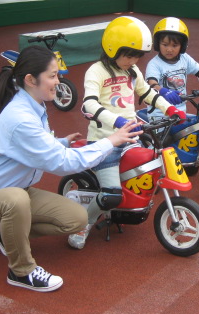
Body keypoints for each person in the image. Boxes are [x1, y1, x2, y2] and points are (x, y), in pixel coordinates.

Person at [0, 45, 141, 293]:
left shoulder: (33, 104)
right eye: (53, 76)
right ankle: (22, 271)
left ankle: (6, 231)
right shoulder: (20, 117)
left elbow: (32, 147)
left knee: (76, 219)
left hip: (15, 191)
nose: (58, 81)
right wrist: (111, 141)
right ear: (30, 79)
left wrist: (61, 142)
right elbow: (64, 163)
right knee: (16, 199)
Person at [70, 16, 186, 249]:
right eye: (129, 55)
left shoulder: (132, 70)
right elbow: (89, 104)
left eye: (137, 57)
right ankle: (84, 224)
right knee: (111, 195)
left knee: (147, 169)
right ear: (112, 48)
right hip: (106, 142)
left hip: (132, 136)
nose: (133, 61)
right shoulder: (96, 71)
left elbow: (147, 93)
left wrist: (170, 108)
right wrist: (118, 121)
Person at [141, 17, 199, 123]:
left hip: (181, 113)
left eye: (175, 45)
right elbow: (151, 84)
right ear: (157, 43)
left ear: (182, 46)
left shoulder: (184, 58)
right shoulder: (154, 64)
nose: (169, 49)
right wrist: (163, 91)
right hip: (160, 116)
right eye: (165, 45)